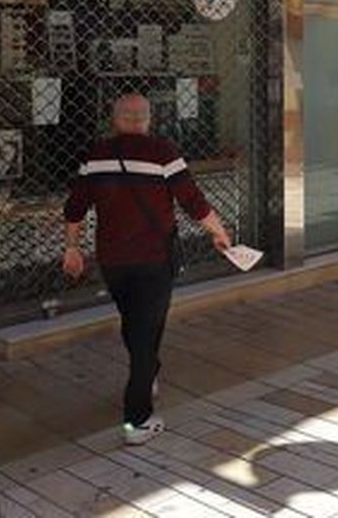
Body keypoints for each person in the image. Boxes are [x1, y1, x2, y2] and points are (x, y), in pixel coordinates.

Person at [63, 93, 232, 445]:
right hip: (154, 259)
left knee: (133, 323)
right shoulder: (163, 152)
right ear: (147, 119)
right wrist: (218, 233)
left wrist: (72, 247)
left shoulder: (96, 155)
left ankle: (148, 374)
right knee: (145, 333)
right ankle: (137, 419)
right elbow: (193, 201)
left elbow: (75, 206)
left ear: (116, 119)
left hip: (113, 260)